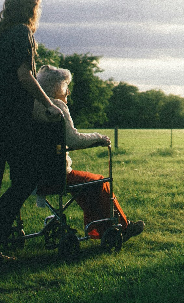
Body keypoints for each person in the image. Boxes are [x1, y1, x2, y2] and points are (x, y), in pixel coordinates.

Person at [0, 0, 62, 264]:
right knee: (25, 180)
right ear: (31, 9)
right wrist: (48, 104)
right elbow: (25, 75)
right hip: (8, 123)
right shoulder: (22, 33)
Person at [32, 65, 144, 241]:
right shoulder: (57, 106)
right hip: (57, 175)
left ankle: (98, 229)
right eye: (65, 86)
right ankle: (122, 226)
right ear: (55, 87)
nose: (68, 91)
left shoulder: (33, 106)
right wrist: (99, 138)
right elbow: (74, 140)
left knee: (87, 185)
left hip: (34, 175)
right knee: (99, 182)